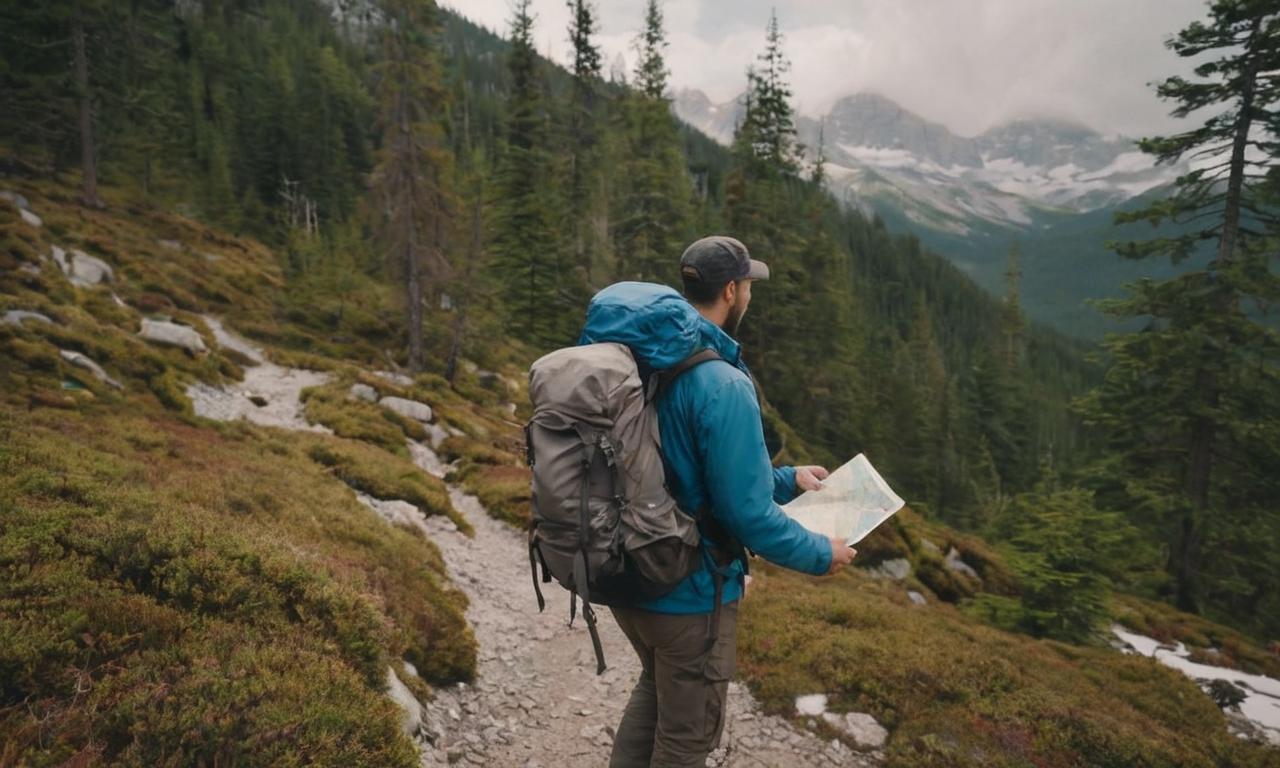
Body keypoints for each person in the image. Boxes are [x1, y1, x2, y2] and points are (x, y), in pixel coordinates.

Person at [601, 235, 857, 767]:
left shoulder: (643, 359)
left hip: (629, 566)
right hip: (688, 589)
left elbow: (685, 468)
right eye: (748, 288)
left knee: (655, 692)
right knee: (686, 739)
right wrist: (820, 554)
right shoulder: (722, 382)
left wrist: (787, 479)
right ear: (733, 290)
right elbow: (747, 515)